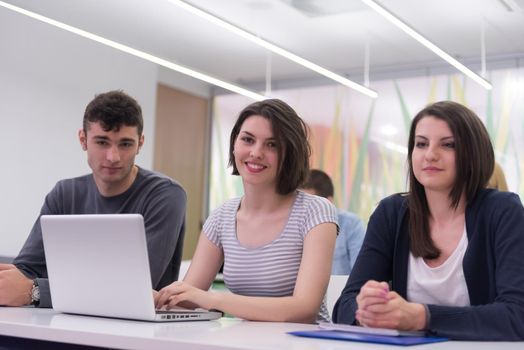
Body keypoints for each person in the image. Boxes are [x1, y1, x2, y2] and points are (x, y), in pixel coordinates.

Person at [332, 101, 524, 340]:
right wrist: (367, 309)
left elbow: (517, 315)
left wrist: (423, 317)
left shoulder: (502, 210)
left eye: (448, 145)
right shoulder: (391, 212)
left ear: (473, 153)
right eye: (421, 144)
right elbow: (344, 307)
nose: (430, 154)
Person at [155, 99, 338, 323]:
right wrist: (156, 298)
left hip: (305, 342)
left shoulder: (316, 211)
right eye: (248, 139)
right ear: (234, 144)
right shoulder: (223, 216)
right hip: (245, 341)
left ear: (290, 153)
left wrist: (215, 300)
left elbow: (303, 308)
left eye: (272, 145)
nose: (256, 152)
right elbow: (189, 299)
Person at [0, 90, 187, 308]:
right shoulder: (64, 193)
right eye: (102, 142)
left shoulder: (165, 195)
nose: (113, 156)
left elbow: (134, 287)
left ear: (140, 143)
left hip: (134, 329)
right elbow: (26, 270)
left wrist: (37, 291)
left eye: (125, 144)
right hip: (63, 320)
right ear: (83, 139)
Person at [301, 169, 365, 275]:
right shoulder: (294, 226)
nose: (303, 210)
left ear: (328, 202)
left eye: (309, 204)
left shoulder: (351, 224)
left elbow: (360, 273)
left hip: (340, 291)